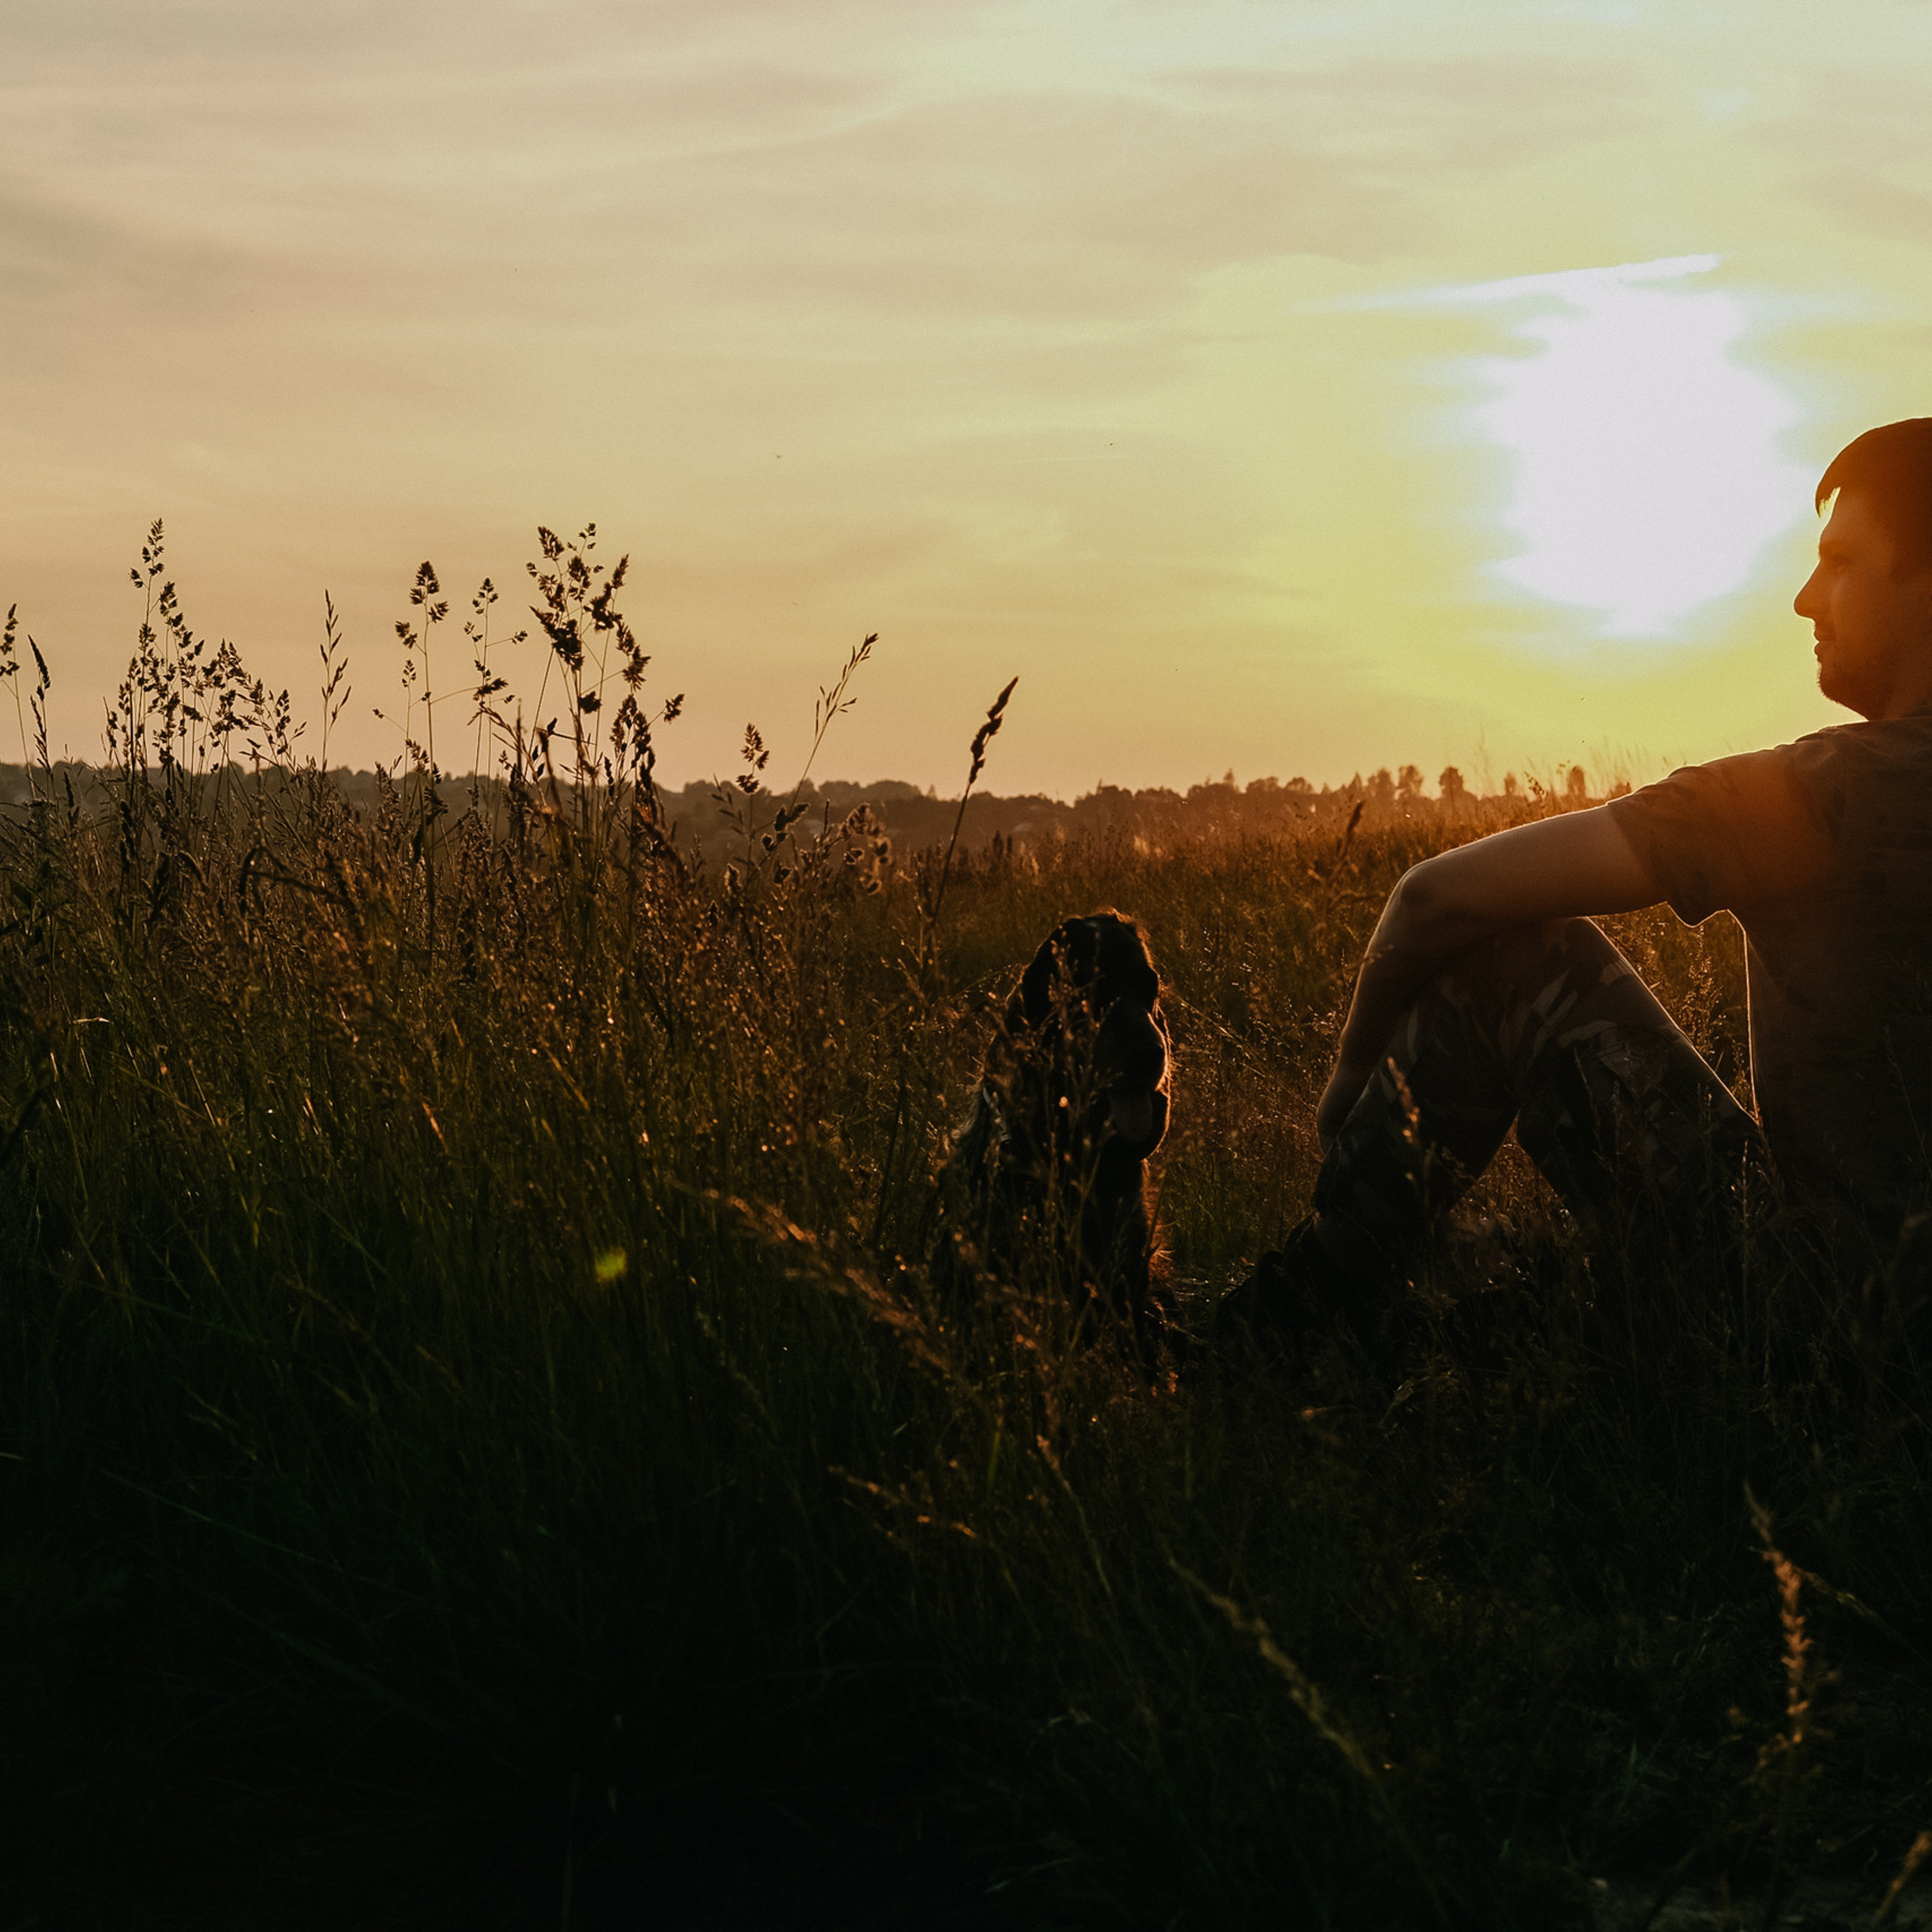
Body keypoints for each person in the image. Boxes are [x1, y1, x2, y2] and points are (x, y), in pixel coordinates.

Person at [1217, 417, 1932, 1354]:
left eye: (1839, 562)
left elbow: (1435, 898)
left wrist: (1349, 1078)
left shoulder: (1824, 793)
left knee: (1518, 958)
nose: (1804, 598)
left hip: (1821, 1331)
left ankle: (1285, 1324)